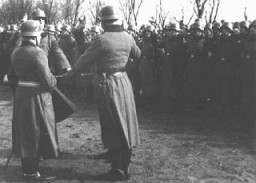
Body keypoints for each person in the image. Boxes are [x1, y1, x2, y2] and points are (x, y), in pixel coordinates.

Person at [65, 5, 141, 181]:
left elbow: (85, 59)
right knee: (125, 122)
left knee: (112, 123)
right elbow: (137, 54)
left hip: (107, 84)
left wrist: (71, 73)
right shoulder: (128, 37)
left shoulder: (102, 39)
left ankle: (119, 170)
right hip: (124, 82)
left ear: (104, 22)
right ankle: (119, 159)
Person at [10, 20, 57, 181]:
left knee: (25, 133)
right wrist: (54, 81)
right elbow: (48, 81)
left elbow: (12, 77)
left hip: (21, 95)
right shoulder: (38, 53)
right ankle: (31, 173)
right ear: (36, 36)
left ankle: (28, 170)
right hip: (36, 97)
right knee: (36, 133)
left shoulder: (16, 51)